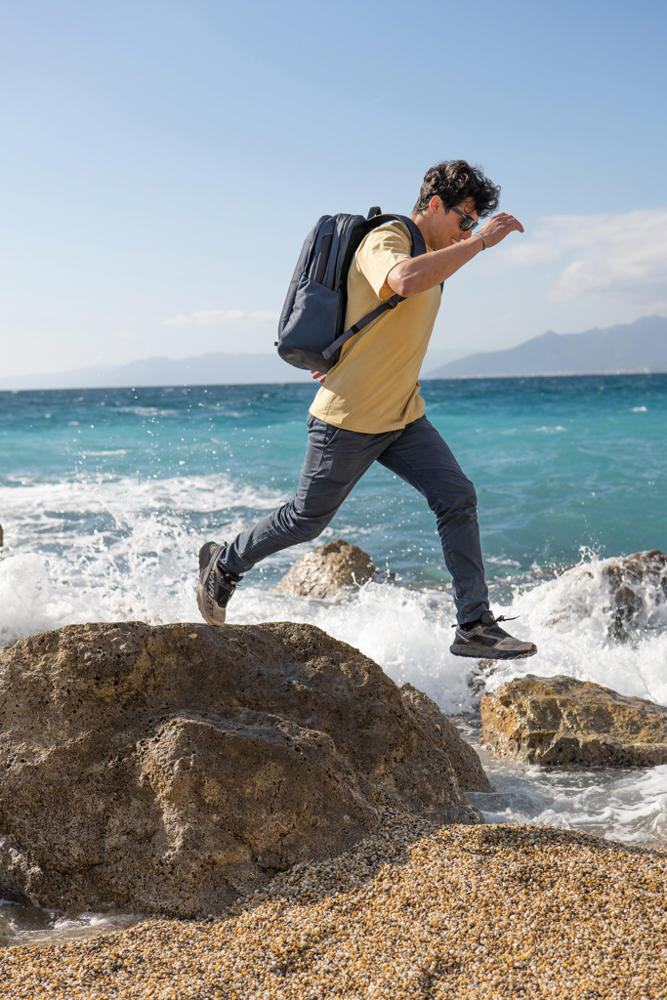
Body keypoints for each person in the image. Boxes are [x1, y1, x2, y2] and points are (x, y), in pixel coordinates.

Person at [197, 160, 537, 660]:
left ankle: (473, 624)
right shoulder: (388, 237)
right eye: (464, 219)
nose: (467, 231)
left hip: (402, 416)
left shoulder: (436, 255)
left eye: (474, 224)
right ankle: (225, 563)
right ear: (434, 204)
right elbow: (402, 280)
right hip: (350, 418)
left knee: (457, 497)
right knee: (305, 520)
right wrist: (482, 242)